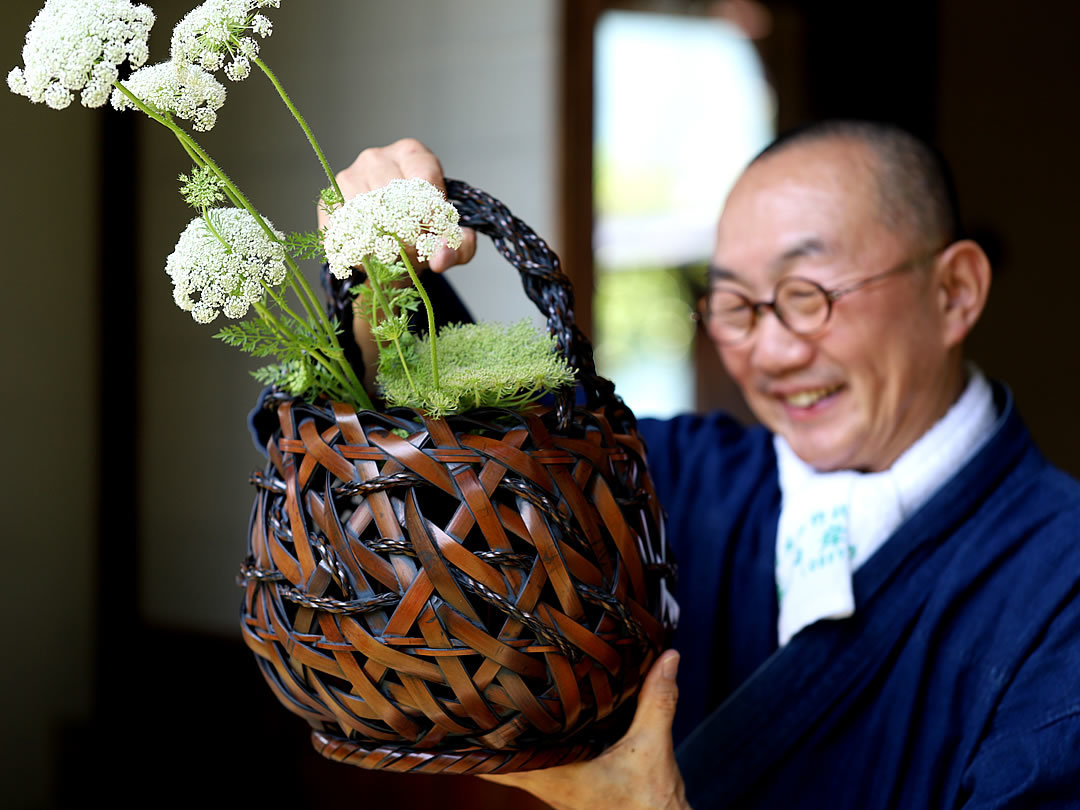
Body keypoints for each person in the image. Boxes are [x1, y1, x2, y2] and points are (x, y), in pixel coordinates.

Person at [325, 122, 1080, 809]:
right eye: (735, 306)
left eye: (808, 295)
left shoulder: (1061, 582)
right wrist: (379, 278)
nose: (773, 353)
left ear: (954, 293)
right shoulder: (662, 478)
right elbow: (460, 475)